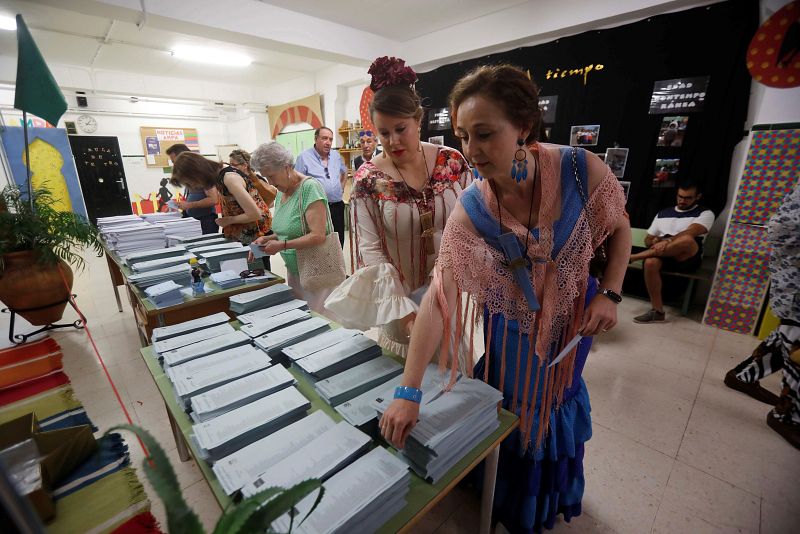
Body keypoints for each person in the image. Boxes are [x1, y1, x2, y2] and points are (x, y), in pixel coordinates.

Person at [378, 64, 630, 533]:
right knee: (511, 404)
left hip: (574, 317)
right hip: (510, 323)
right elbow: (439, 298)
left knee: (555, 403)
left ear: (524, 127)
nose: (471, 151)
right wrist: (408, 391)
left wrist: (611, 294)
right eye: (462, 135)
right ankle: (500, 492)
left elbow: (619, 227)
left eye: (485, 134)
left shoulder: (579, 169)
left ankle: (540, 500)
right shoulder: (472, 209)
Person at [324, 56, 472, 357]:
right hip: (396, 299)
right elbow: (371, 250)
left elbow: (470, 228)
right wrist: (405, 316)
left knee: (452, 369)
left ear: (419, 120)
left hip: (448, 290)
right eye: (384, 133)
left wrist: (447, 280)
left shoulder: (452, 162)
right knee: (405, 376)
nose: (392, 141)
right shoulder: (369, 179)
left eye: (400, 128)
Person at [724, 183, 800, 449]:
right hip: (795, 277)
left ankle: (745, 374)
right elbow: (782, 227)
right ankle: (788, 415)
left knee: (793, 333)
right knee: (796, 335)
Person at [249, 142, 337, 315]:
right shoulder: (283, 190)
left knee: (321, 320)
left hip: (317, 271)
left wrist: (282, 245)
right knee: (302, 317)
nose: (270, 183)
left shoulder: (309, 188)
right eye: (266, 177)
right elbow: (289, 229)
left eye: (272, 176)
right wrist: (267, 239)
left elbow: (318, 235)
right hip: (295, 269)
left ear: (287, 167)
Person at [630, 183, 715, 323]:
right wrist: (654, 241)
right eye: (680, 197)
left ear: (697, 197)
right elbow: (647, 240)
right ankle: (657, 311)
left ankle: (634, 257)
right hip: (663, 255)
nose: (682, 201)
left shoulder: (705, 213)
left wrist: (667, 241)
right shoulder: (663, 213)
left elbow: (692, 232)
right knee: (651, 262)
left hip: (687, 257)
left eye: (688, 198)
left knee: (687, 239)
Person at [170, 152, 269, 247]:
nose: (193, 186)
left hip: (256, 236)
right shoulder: (219, 176)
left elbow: (255, 214)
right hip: (243, 234)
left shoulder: (229, 178)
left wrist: (228, 220)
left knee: (256, 264)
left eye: (190, 182)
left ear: (197, 173)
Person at [295, 126, 347, 247]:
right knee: (321, 243)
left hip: (337, 206)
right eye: (324, 138)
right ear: (316, 139)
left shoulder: (335, 155)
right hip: (318, 208)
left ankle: (337, 265)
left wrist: (341, 188)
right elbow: (296, 183)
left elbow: (344, 172)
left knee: (339, 242)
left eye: (330, 139)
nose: (328, 142)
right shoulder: (304, 157)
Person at [229, 148, 278, 269]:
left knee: (262, 266)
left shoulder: (256, 180)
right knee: (247, 265)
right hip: (244, 230)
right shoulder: (235, 180)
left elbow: (271, 199)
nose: (230, 169)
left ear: (244, 165)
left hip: (259, 231)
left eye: (233, 165)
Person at [166, 143, 220, 234]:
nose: (175, 166)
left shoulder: (202, 172)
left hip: (205, 220)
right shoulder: (191, 174)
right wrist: (178, 205)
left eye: (174, 162)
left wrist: (189, 205)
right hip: (193, 219)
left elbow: (213, 199)